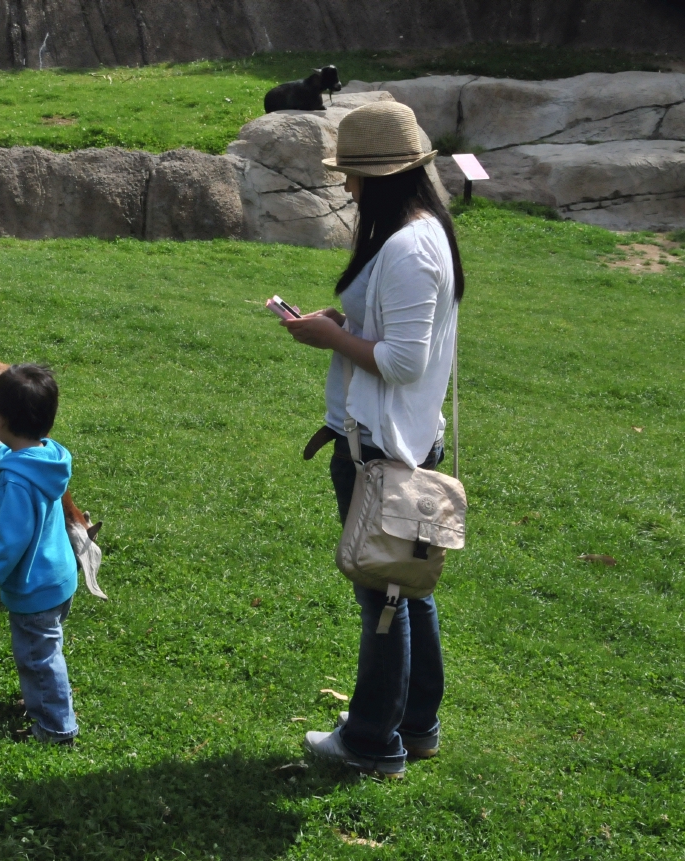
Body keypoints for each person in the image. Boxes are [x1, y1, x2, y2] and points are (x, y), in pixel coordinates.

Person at [281, 101, 464, 779]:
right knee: (406, 587)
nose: (348, 188)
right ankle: (416, 725)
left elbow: (405, 360)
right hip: (402, 440)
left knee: (382, 595)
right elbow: (392, 332)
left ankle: (371, 741)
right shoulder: (423, 234)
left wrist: (331, 336)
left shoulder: (409, 245)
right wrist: (343, 319)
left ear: (383, 177)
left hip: (384, 449)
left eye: (354, 176)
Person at [0, 364, 80, 745]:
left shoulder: (16, 483)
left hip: (34, 589)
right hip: (59, 577)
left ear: (0, 419)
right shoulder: (50, 456)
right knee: (44, 650)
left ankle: (57, 728)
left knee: (39, 657)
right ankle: (43, 701)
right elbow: (6, 457)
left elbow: (11, 546)